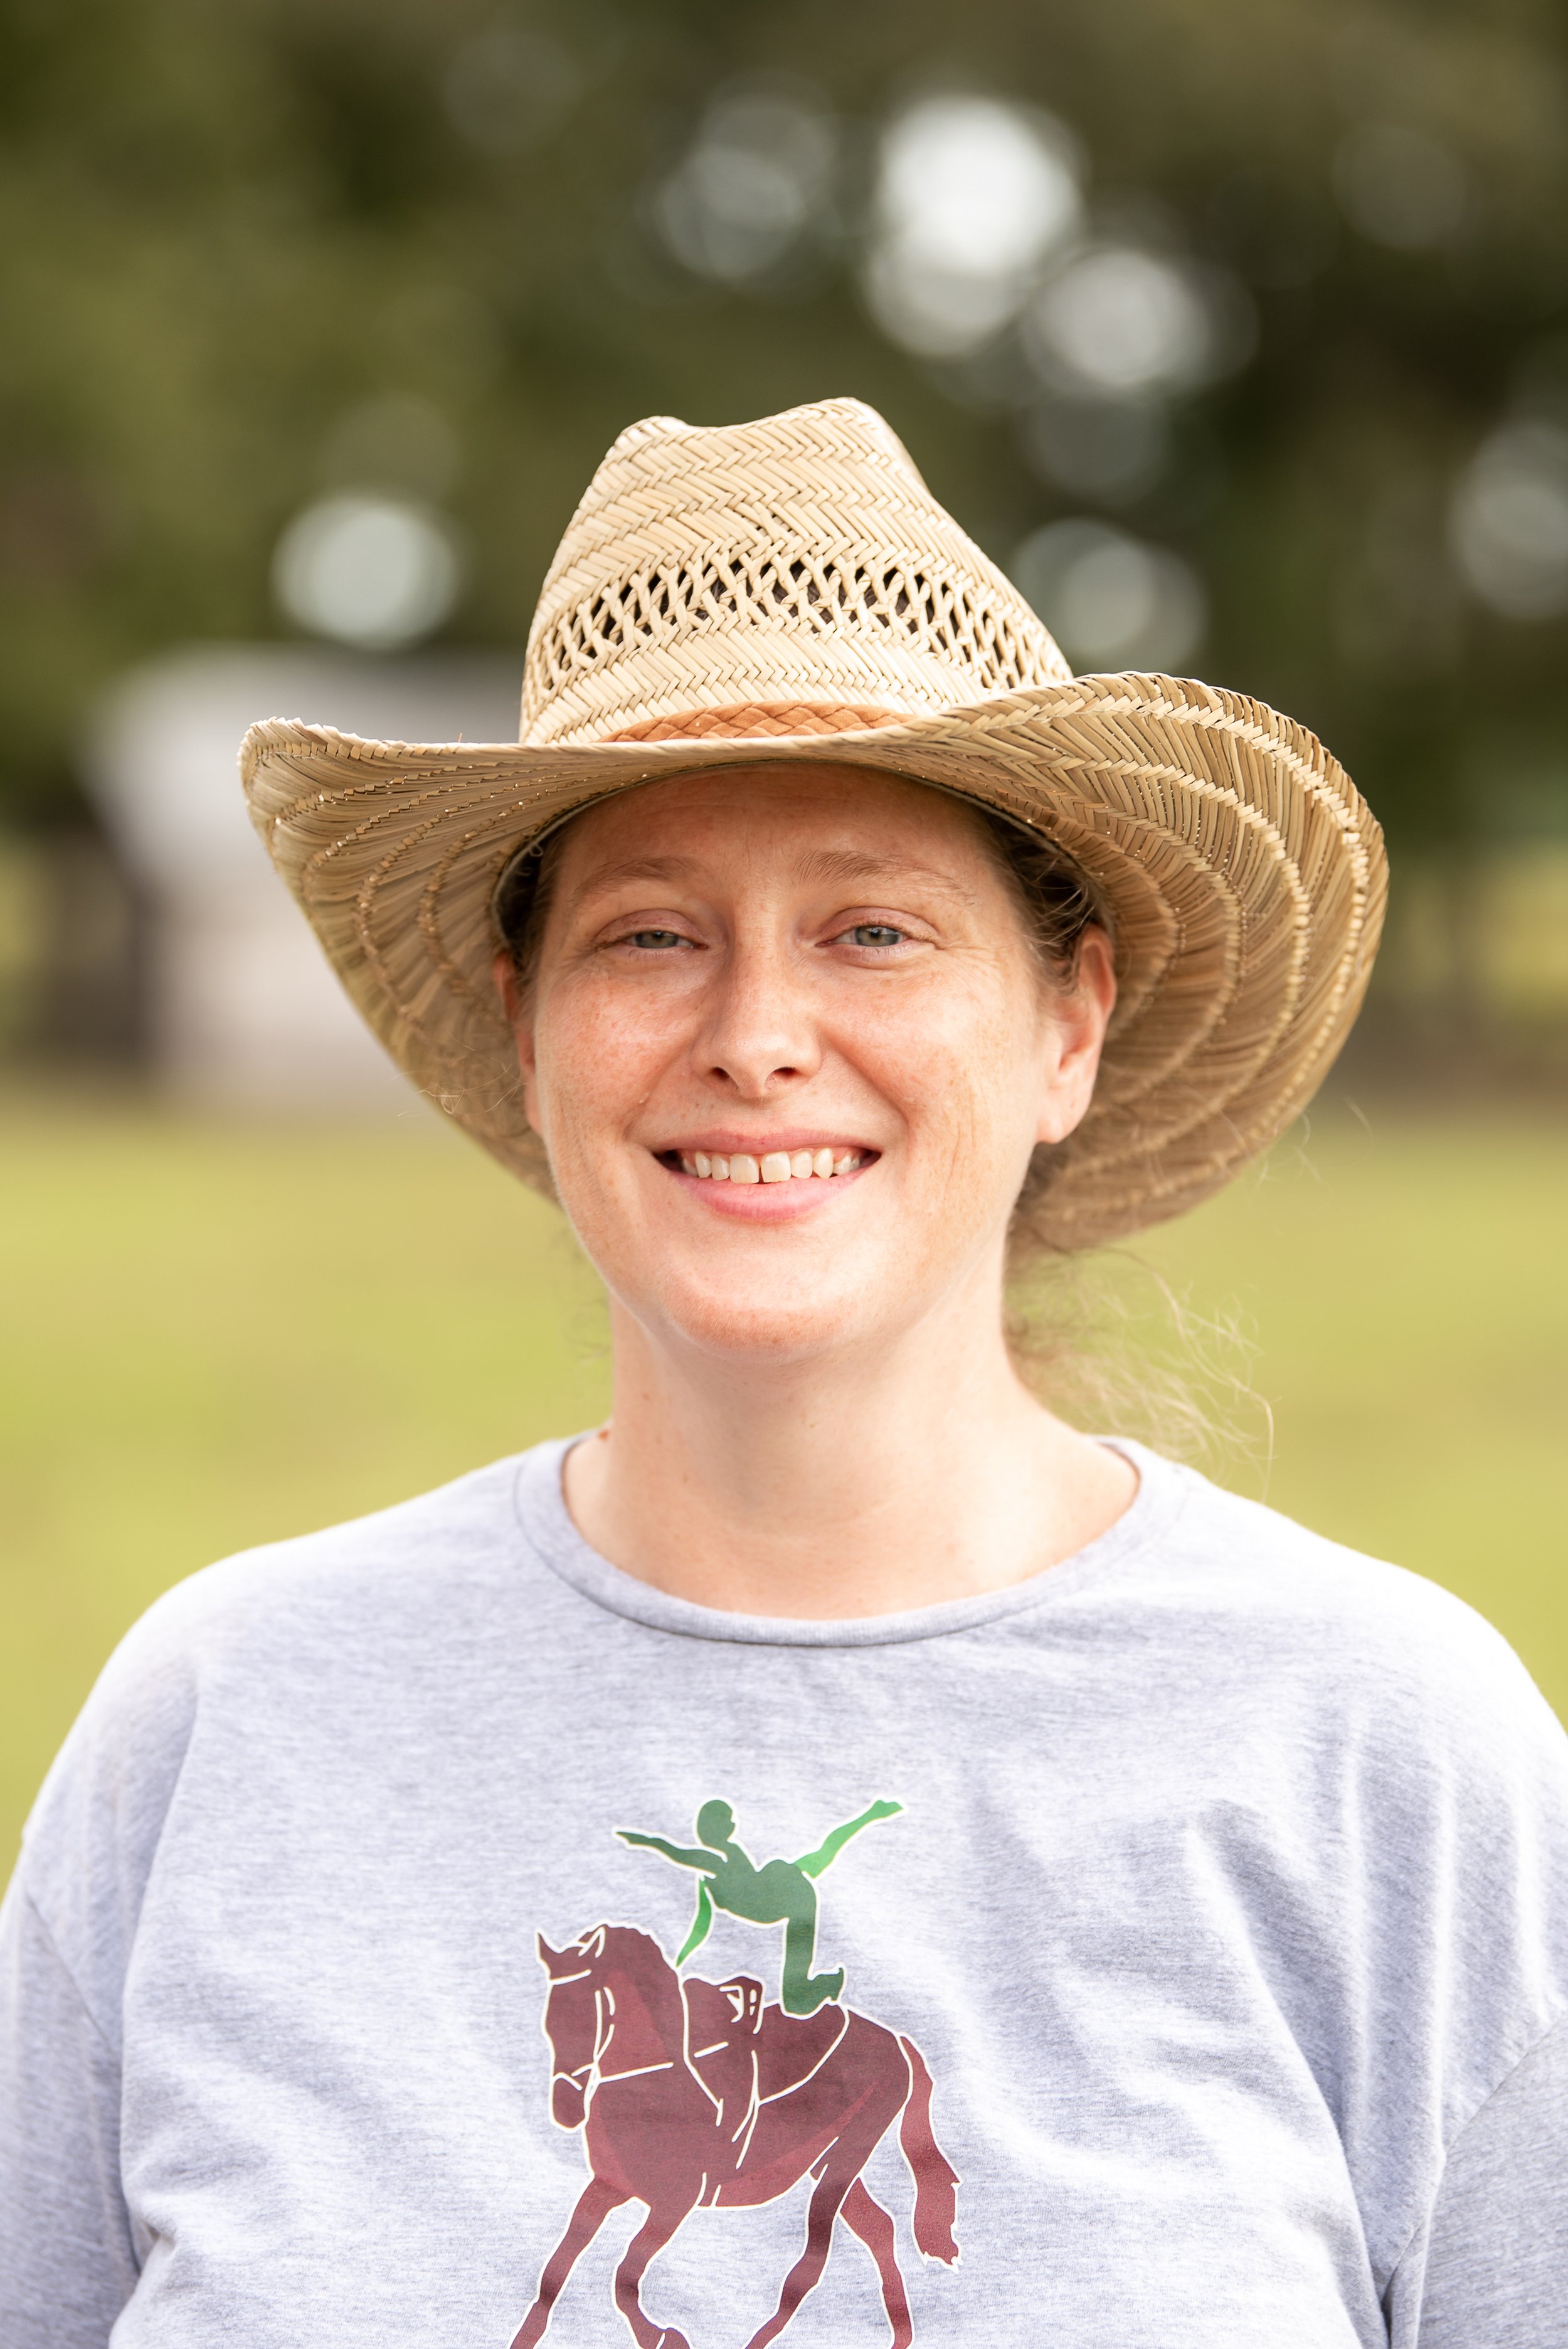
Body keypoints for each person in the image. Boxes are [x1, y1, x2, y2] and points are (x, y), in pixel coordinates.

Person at [2, 398, 1565, 2349]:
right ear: (526, 1026)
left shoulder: (1385, 1761)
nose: (755, 1035)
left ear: (1065, 1021)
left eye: (872, 930)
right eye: (650, 935)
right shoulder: (215, 1728)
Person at [618, 1795, 903, 2010]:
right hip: (776, 1895)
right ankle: (807, 1989)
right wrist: (677, 1963)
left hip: (779, 1892)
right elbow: (679, 1859)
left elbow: (680, 1858)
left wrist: (645, 1840)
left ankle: (806, 1989)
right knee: (817, 1857)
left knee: (817, 1857)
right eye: (726, 1820)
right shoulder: (714, 1863)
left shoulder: (722, 1859)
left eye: (730, 1820)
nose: (732, 1825)